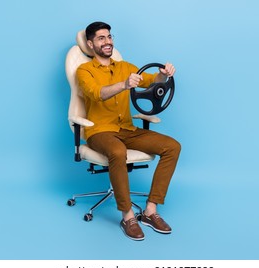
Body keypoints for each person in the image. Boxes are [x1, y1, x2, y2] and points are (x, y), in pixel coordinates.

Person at [76, 21, 181, 241]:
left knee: (172, 146)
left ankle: (150, 211)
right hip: (99, 131)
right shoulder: (84, 70)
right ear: (90, 43)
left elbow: (151, 81)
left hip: (127, 128)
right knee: (117, 151)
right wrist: (124, 85)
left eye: (110, 37)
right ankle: (128, 217)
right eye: (101, 38)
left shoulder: (125, 66)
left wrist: (163, 75)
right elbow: (97, 94)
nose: (108, 42)